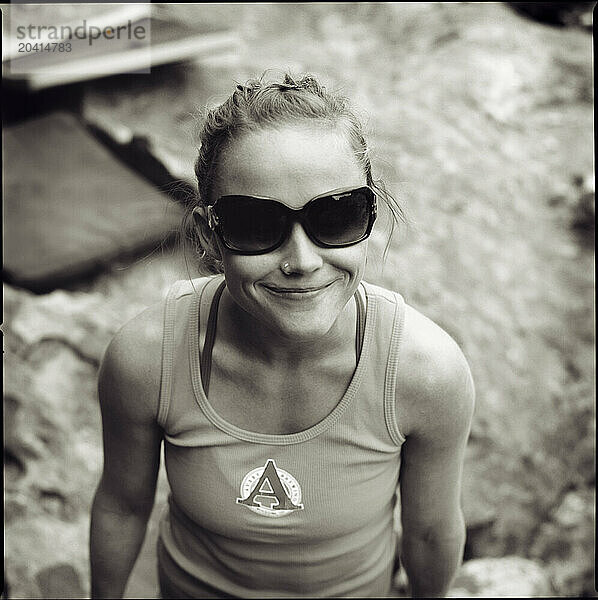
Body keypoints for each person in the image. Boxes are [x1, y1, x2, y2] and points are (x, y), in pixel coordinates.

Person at [89, 72, 475, 599]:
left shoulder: (425, 374)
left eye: (336, 216)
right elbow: (121, 504)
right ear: (208, 235)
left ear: (371, 214)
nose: (301, 261)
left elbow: (431, 532)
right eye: (255, 225)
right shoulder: (148, 359)